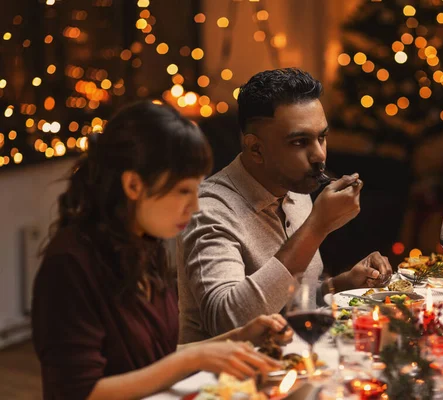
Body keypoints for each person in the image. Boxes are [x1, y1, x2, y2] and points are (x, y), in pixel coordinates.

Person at [32, 101, 289, 400]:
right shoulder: (70, 264)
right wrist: (194, 360)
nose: (194, 207)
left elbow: (154, 359)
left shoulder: (143, 244)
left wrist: (238, 337)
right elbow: (80, 392)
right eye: (183, 191)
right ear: (133, 185)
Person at [178, 68, 393, 342]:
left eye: (322, 137)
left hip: (291, 361)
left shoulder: (294, 186)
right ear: (255, 148)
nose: (319, 155)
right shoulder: (209, 209)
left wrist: (339, 284)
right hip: (222, 379)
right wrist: (317, 227)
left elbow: (284, 303)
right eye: (300, 141)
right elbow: (228, 322)